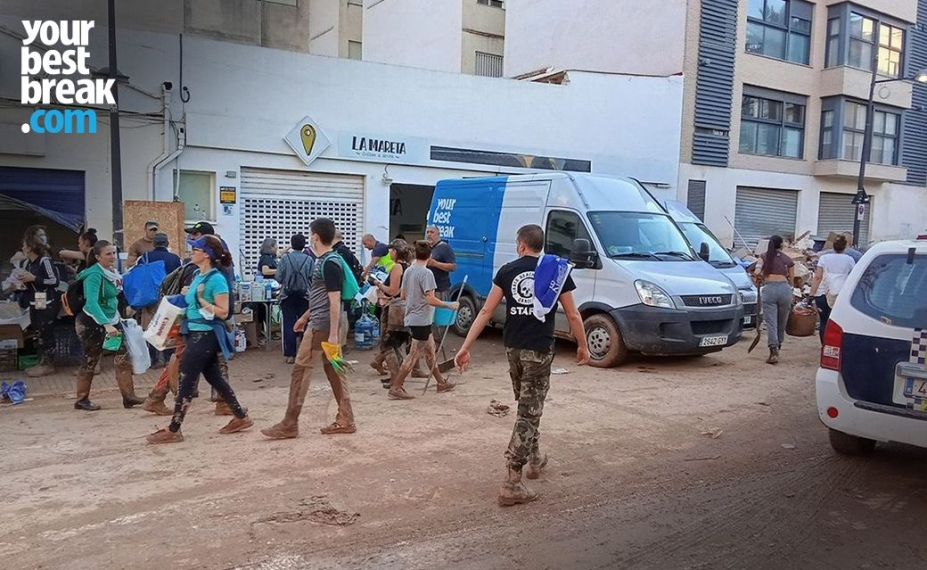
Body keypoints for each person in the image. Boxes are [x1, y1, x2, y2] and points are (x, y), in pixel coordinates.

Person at [455, 224, 589, 506]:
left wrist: (465, 347)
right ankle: (512, 481)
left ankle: (535, 459)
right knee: (529, 412)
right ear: (541, 245)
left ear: (520, 245)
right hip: (538, 350)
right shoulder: (556, 271)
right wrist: (583, 345)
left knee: (528, 407)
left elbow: (487, 311)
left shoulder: (507, 270)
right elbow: (573, 314)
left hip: (513, 349)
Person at [146, 235, 253, 444]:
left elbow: (223, 312)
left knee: (186, 378)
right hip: (195, 332)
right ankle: (241, 417)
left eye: (196, 249)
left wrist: (202, 300)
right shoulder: (198, 275)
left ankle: (174, 428)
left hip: (206, 333)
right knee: (214, 377)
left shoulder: (216, 279)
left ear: (206, 255)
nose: (191, 251)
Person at [262, 217, 355, 439]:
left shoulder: (329, 262)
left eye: (311, 234)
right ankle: (346, 418)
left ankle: (290, 423)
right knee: (334, 371)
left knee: (301, 371)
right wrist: (305, 316)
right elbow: (322, 298)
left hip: (322, 327)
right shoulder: (327, 260)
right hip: (323, 323)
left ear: (315, 236)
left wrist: (331, 334)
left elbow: (334, 300)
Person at [73, 240, 145, 410]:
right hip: (92, 322)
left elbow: (112, 299)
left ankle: (129, 396)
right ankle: (81, 399)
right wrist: (107, 324)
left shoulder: (110, 272)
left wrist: (115, 319)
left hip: (110, 320)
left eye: (113, 253)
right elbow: (91, 303)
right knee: (91, 359)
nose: (112, 257)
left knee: (122, 356)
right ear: (97, 257)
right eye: (108, 254)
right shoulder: (94, 275)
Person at [387, 240, 459, 400]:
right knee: (413, 355)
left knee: (430, 352)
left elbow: (403, 295)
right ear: (430, 255)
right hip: (422, 319)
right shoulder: (427, 274)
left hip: (413, 316)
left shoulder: (409, 270)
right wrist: (449, 305)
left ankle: (441, 382)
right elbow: (431, 299)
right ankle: (396, 386)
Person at [369, 240, 412, 385]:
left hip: (395, 308)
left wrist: (378, 284)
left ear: (395, 251)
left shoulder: (397, 267)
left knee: (388, 344)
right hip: (405, 307)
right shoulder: (409, 267)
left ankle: (395, 379)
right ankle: (397, 376)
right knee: (395, 344)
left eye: (391, 250)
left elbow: (393, 290)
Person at [136, 233, 182, 368]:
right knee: (168, 327)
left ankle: (154, 360)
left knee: (151, 327)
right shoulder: (174, 258)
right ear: (167, 243)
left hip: (150, 298)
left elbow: (139, 276)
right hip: (169, 298)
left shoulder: (145, 257)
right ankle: (169, 358)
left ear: (154, 244)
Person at [18, 233, 60, 378]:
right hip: (34, 301)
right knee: (38, 331)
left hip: (47, 301)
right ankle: (42, 362)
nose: (22, 248)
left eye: (24, 245)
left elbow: (54, 281)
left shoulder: (45, 261)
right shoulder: (27, 263)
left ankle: (48, 364)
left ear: (29, 248)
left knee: (46, 331)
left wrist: (34, 278)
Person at [754, 235, 795, 365]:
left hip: (770, 289)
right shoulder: (787, 259)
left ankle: (773, 350)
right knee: (781, 322)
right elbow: (792, 279)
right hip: (784, 290)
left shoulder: (763, 257)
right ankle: (779, 345)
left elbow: (756, 271)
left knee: (771, 322)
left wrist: (759, 276)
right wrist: (791, 290)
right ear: (781, 245)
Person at [275, 234, 314, 364]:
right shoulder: (309, 260)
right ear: (304, 245)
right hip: (305, 296)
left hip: (287, 295)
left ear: (292, 244)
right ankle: (304, 352)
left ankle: (291, 354)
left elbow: (278, 278)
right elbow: (312, 278)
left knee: (289, 324)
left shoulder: (285, 259)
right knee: (305, 324)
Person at [811, 234, 855, 343]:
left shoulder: (824, 258)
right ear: (845, 246)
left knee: (824, 321)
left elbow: (818, 277)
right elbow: (853, 277)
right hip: (841, 294)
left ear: (833, 246)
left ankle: (824, 345)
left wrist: (811, 294)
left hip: (823, 293)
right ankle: (835, 345)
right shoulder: (849, 260)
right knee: (838, 322)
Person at [425, 226, 456, 300]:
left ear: (438, 234)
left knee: (439, 310)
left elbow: (453, 267)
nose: (429, 234)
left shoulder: (445, 248)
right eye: (427, 232)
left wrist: (435, 264)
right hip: (428, 288)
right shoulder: (427, 248)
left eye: (432, 232)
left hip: (440, 289)